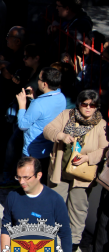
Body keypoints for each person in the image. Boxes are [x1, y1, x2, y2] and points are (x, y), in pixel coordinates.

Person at [43, 89, 108, 248]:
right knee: (53, 205)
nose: (88, 108)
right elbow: (48, 130)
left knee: (77, 211)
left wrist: (87, 158)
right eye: (84, 104)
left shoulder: (101, 124)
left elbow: (104, 150)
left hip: (83, 175)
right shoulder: (67, 115)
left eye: (93, 105)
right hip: (61, 170)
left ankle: (72, 244)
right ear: (79, 103)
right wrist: (62, 136)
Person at [0, 157, 72, 252]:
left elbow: (65, 234)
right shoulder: (13, 197)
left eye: (26, 177)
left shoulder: (55, 200)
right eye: (19, 177)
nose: (21, 182)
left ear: (39, 175)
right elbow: (6, 230)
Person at [15, 67, 66, 180]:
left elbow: (23, 125)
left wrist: (22, 105)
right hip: (50, 148)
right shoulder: (61, 97)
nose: (37, 81)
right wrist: (34, 99)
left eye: (39, 79)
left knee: (28, 180)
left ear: (44, 84)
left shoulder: (39, 104)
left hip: (33, 149)